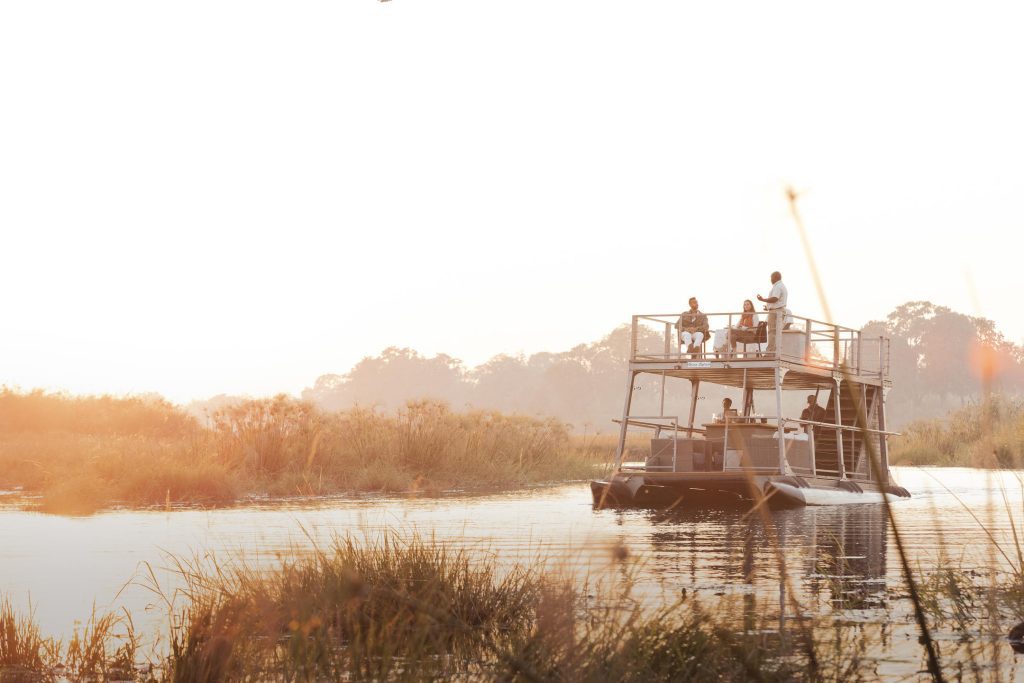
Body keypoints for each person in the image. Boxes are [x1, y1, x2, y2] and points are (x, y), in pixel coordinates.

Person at [756, 271, 788, 355]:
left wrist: (762, 300)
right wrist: (768, 307)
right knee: (775, 332)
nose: (770, 280)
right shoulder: (781, 286)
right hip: (778, 310)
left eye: (771, 277)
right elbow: (777, 301)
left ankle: (770, 352)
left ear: (775, 277)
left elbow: (775, 298)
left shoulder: (778, 286)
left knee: (772, 332)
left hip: (776, 312)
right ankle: (774, 351)